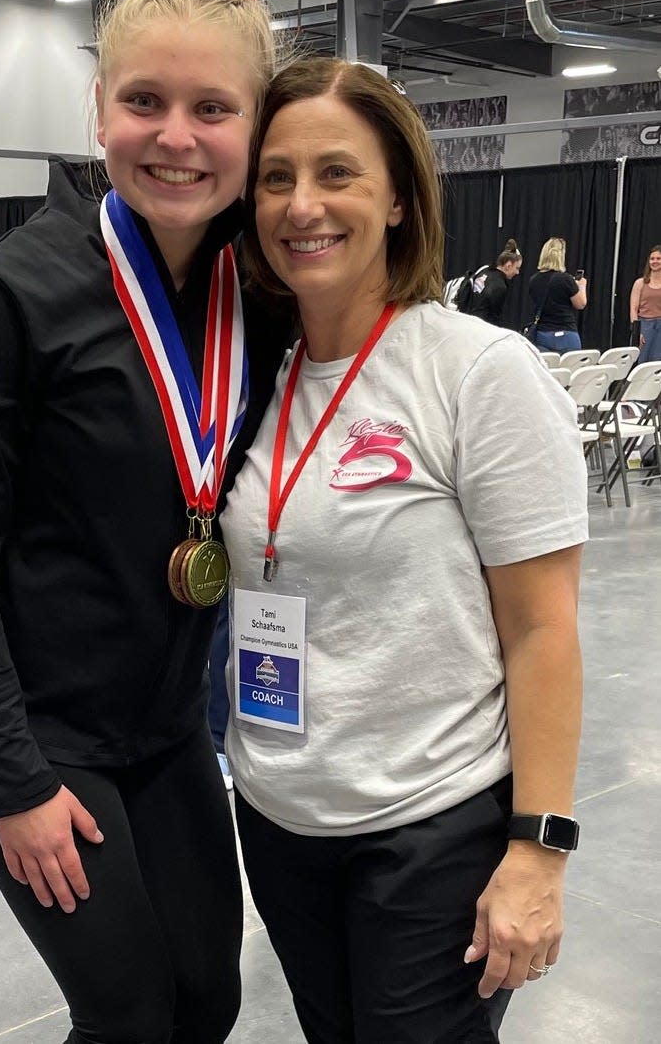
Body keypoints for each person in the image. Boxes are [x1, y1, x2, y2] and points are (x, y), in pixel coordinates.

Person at [0, 0, 286, 1044]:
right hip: (37, 724)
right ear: (99, 110)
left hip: (168, 725)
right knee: (126, 1013)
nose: (176, 136)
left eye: (212, 106)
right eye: (145, 101)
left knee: (208, 1001)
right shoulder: (9, 298)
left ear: (255, 125)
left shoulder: (255, 294)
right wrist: (13, 780)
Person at [220, 59, 587, 1044]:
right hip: (282, 816)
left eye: (338, 172)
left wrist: (539, 849)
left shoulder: (478, 371)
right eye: (277, 177)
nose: (304, 205)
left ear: (395, 197)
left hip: (434, 824)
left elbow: (544, 627)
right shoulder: (251, 374)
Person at [527, 236, 588, 351]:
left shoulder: (533, 280)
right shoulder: (566, 279)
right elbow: (580, 304)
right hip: (567, 334)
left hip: (543, 334)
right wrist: (582, 285)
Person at [458, 238, 522, 326]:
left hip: (465, 320)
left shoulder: (484, 270)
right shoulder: (500, 286)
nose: (517, 272)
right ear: (508, 266)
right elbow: (494, 319)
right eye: (517, 268)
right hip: (480, 328)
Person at [629, 244, 661, 363]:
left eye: (658, 258)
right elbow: (633, 308)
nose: (655, 261)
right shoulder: (640, 283)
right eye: (652, 259)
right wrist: (637, 331)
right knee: (641, 362)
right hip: (644, 325)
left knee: (657, 365)